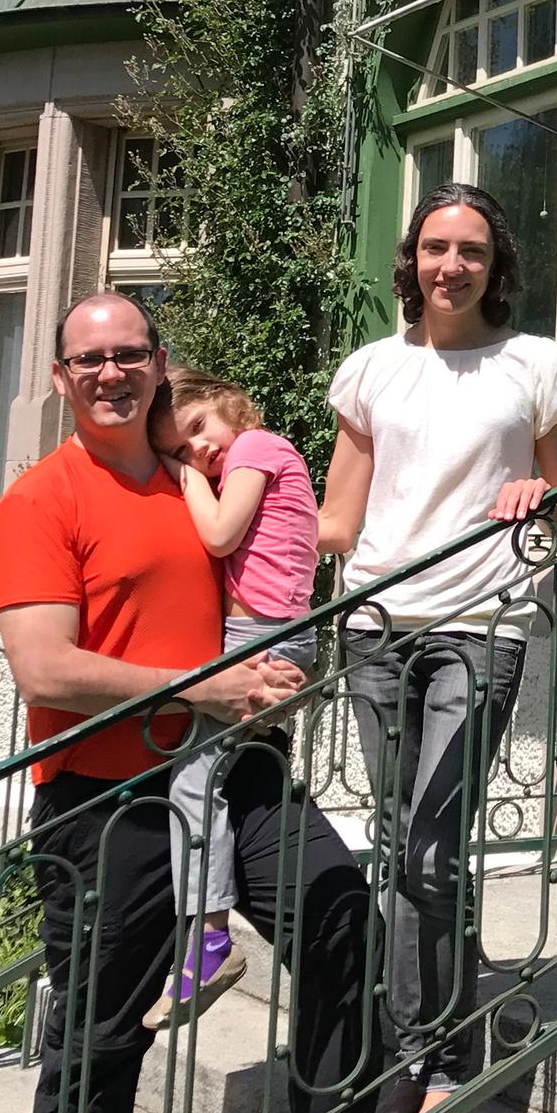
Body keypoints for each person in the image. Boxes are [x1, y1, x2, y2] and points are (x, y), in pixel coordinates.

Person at [0, 292, 377, 1113]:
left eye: (129, 354)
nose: (111, 373)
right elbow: (45, 668)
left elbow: (275, 587)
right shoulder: (42, 501)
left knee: (342, 920)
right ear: (61, 379)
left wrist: (281, 679)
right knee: (103, 1034)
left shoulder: (200, 480)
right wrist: (203, 689)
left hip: (235, 770)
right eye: (89, 360)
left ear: (160, 365)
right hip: (107, 794)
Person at [320, 183, 557, 1113]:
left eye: (470, 249)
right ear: (413, 259)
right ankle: (408, 1054)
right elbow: (340, 518)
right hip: (379, 626)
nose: (451, 265)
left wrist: (540, 497)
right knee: (402, 849)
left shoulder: (533, 367)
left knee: (431, 852)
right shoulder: (371, 371)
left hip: (482, 625)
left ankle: (434, 1065)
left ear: (494, 264)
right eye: (436, 247)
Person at [144, 369, 324, 1031]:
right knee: (201, 777)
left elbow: (219, 536)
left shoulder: (257, 447)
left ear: (229, 403)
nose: (201, 451)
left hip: (264, 639)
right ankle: (206, 936)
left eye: (197, 430)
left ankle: (211, 939)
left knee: (194, 778)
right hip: (263, 636)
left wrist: (184, 477)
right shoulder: (258, 458)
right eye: (185, 450)